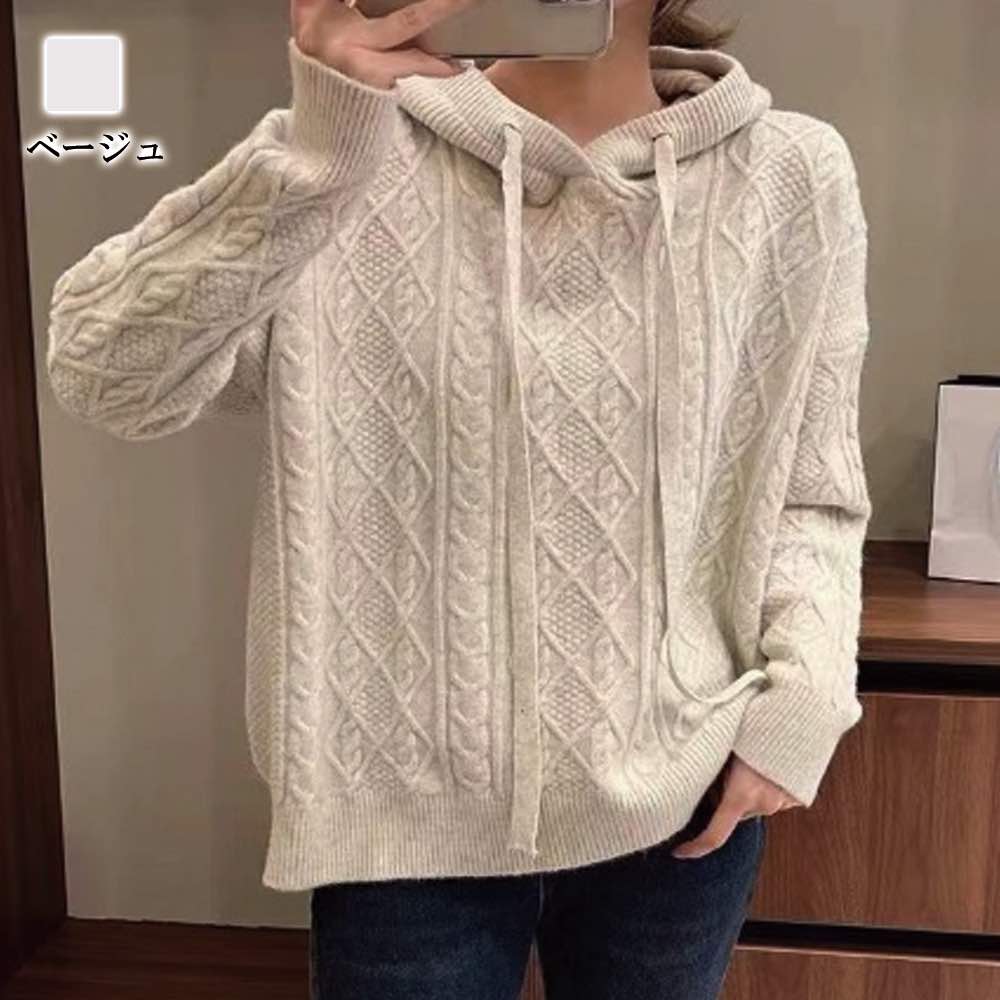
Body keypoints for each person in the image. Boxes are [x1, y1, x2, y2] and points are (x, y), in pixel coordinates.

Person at [44, 0, 873, 997]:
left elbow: (811, 489)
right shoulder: (345, 151)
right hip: (399, 823)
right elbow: (104, 375)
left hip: (682, 795)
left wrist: (802, 703)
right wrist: (316, 154)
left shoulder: (789, 175)